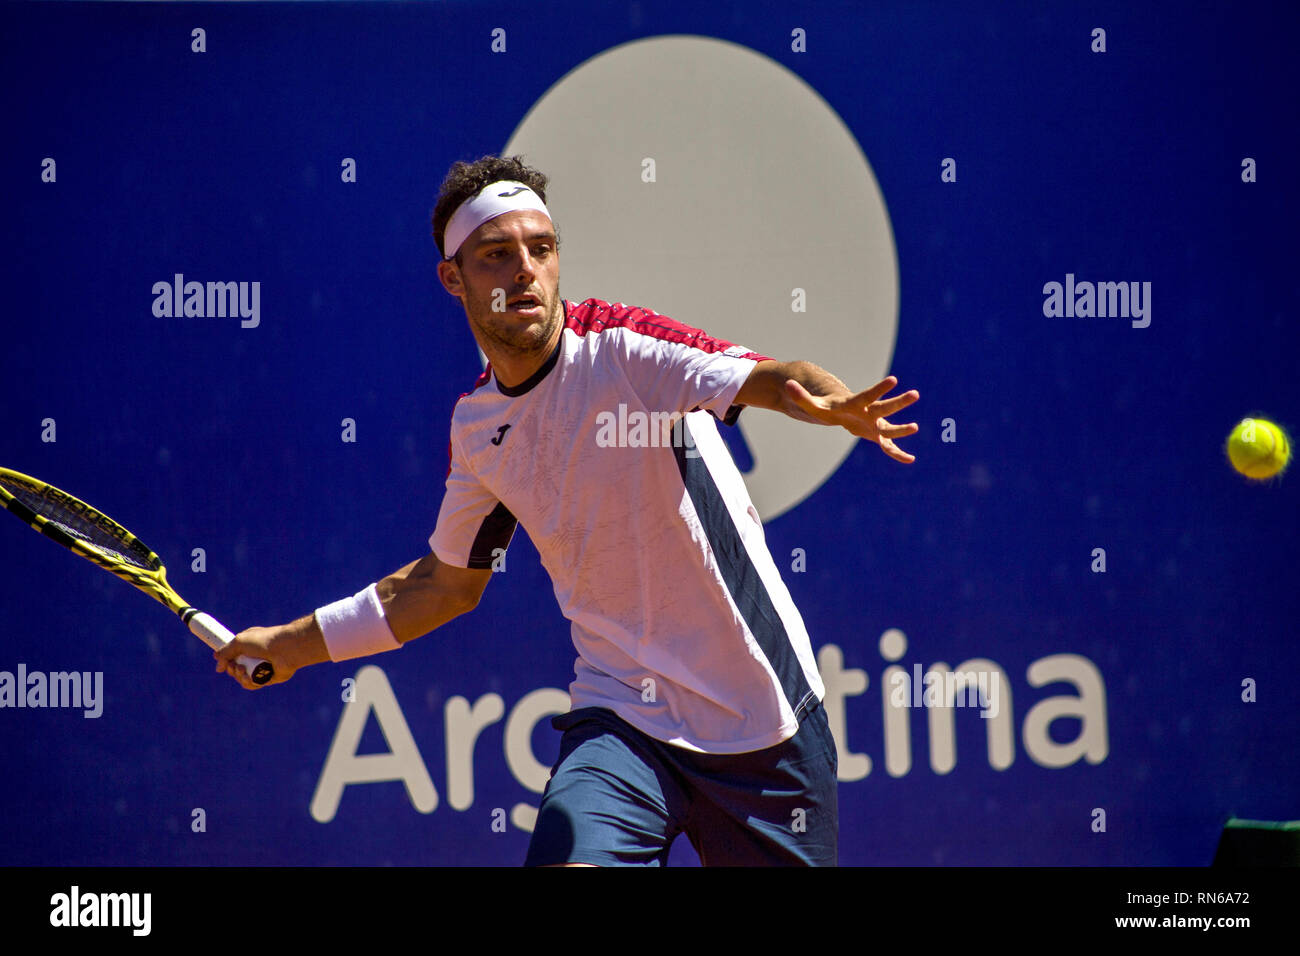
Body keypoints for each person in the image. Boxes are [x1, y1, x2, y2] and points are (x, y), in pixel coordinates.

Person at [216, 154, 919, 866]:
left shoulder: (626, 350)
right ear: (453, 278)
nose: (524, 270)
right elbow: (445, 586)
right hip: (623, 721)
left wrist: (828, 403)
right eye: (497, 255)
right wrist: (289, 646)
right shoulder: (479, 429)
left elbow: (773, 379)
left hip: (764, 726)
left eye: (541, 250)